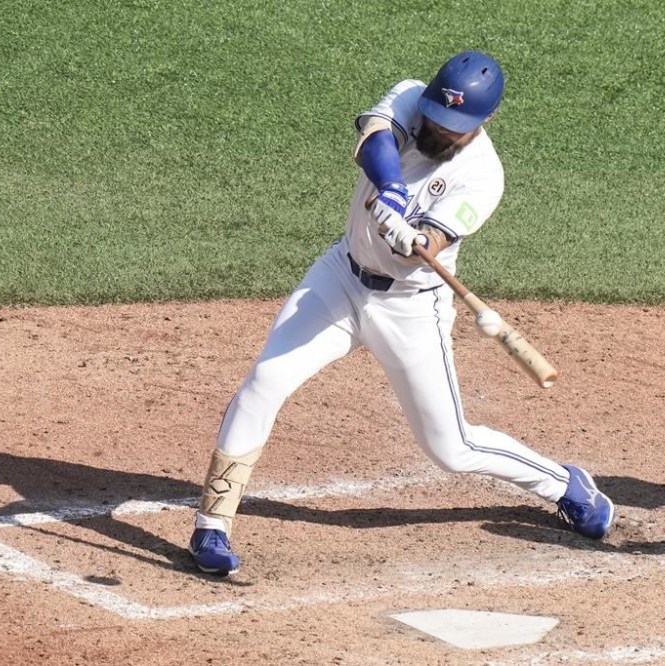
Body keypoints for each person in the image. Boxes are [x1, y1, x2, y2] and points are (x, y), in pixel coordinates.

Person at [188, 50, 615, 575]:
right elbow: (375, 141)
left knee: (451, 448)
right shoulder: (410, 96)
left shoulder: (483, 177)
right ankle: (212, 525)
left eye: (453, 128)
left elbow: (436, 237)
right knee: (265, 380)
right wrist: (390, 189)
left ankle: (565, 485)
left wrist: (414, 235)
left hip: (410, 310)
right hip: (339, 280)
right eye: (435, 118)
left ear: (486, 122)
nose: (437, 132)